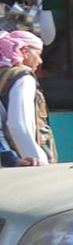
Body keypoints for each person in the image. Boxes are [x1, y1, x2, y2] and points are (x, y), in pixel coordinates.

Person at [0, 28, 55, 165]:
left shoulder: (4, 75)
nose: (40, 61)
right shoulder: (23, 77)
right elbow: (19, 124)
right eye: (38, 54)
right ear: (25, 52)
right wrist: (36, 159)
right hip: (23, 163)